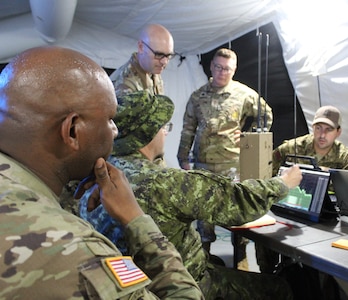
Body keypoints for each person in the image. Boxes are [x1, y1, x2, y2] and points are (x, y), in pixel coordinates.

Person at [0, 46, 203, 299]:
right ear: (73, 131)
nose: (115, 131)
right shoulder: (79, 252)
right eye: (109, 119)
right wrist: (136, 219)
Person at [78, 90, 302, 300]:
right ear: (149, 133)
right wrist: (283, 183)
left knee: (216, 261)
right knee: (279, 288)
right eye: (163, 127)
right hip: (178, 284)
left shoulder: (100, 171)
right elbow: (240, 202)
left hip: (127, 284)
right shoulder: (165, 182)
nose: (165, 133)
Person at [177, 48, 273, 270]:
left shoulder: (244, 94)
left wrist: (250, 135)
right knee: (204, 215)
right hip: (203, 165)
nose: (222, 72)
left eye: (227, 69)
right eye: (218, 67)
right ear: (211, 66)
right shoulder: (198, 96)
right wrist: (183, 157)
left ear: (234, 69)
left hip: (233, 165)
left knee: (237, 212)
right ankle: (206, 258)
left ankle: (240, 256)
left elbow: (266, 114)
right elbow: (188, 128)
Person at [257, 105, 348, 275]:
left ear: (338, 132)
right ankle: (267, 278)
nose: (322, 134)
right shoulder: (292, 148)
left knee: (322, 260)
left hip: (324, 216)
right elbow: (266, 169)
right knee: (264, 238)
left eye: (328, 129)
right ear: (312, 127)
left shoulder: (345, 157)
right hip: (290, 207)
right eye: (318, 128)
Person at [110, 23, 175, 98]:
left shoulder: (153, 70)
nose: (164, 62)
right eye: (159, 54)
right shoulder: (123, 83)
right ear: (141, 47)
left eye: (169, 55)